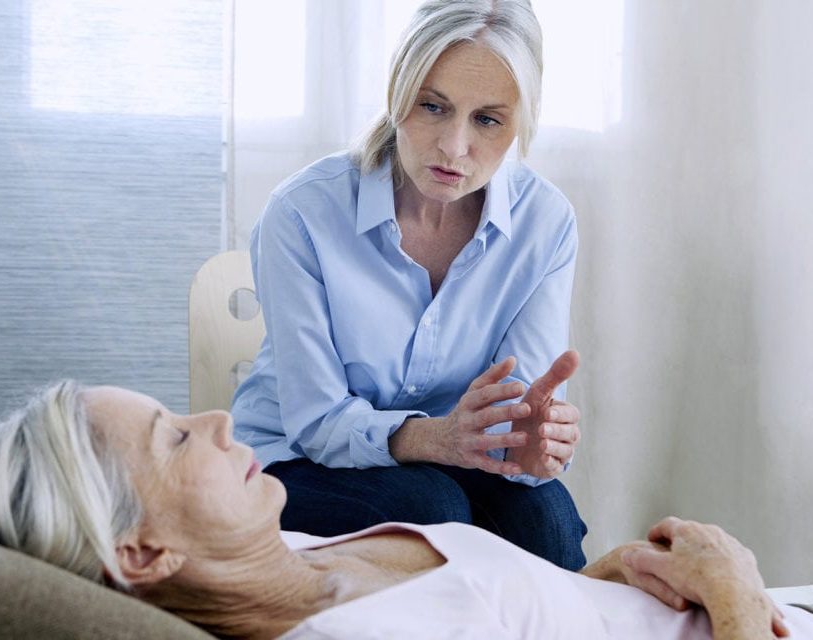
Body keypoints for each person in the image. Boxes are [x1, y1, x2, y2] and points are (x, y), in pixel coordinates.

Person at [0, 383, 808, 639]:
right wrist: (728, 589)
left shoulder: (290, 550)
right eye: (176, 439)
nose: (216, 418)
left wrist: (610, 576)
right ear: (139, 555)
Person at [230, 0, 587, 569]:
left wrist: (531, 447)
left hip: (454, 460)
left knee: (544, 520)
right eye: (432, 106)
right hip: (298, 459)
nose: (454, 146)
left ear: (521, 123)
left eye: (488, 120)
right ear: (398, 92)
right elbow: (318, 422)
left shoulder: (546, 222)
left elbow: (515, 412)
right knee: (432, 507)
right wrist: (435, 438)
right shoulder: (302, 213)